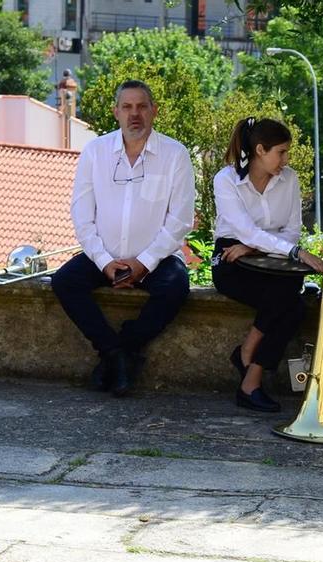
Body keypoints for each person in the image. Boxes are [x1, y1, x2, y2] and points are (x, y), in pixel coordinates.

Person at [52, 80, 195, 396]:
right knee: (64, 281)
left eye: (142, 106)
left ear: (154, 111)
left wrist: (143, 263)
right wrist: (104, 261)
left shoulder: (175, 155)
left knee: (175, 288)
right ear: (116, 112)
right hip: (104, 256)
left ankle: (121, 351)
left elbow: (181, 219)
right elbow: (82, 215)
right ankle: (114, 353)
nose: (135, 114)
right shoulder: (96, 152)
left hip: (155, 260)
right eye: (127, 107)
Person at [212, 116, 312, 413]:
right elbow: (243, 232)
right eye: (280, 152)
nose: (286, 159)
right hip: (231, 257)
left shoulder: (289, 178)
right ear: (259, 150)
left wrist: (253, 246)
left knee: (290, 295)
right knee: (291, 305)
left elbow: (292, 231)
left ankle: (248, 360)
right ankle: (251, 378)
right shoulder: (226, 180)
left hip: (269, 256)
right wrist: (288, 251)